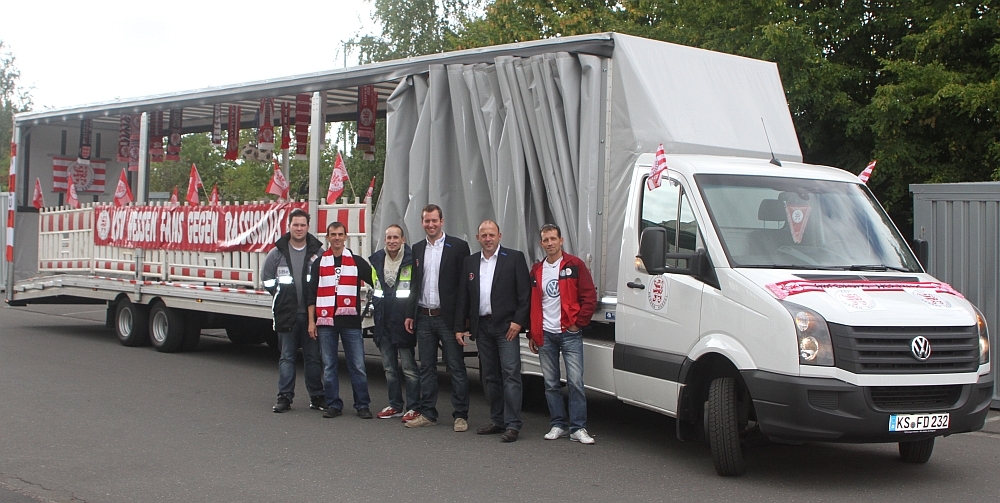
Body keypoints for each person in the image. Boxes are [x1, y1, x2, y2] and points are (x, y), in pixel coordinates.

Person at [455, 220, 530, 442]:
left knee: (511, 375)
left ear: (499, 236)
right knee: (490, 377)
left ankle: (513, 424)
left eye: (492, 234)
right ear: (477, 238)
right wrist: (460, 327)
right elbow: (463, 296)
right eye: (484, 235)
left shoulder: (514, 258)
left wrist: (518, 322)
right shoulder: (470, 262)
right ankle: (498, 420)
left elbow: (525, 294)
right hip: (482, 327)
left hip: (507, 327)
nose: (488, 238)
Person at [403, 204, 472, 431]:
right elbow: (415, 284)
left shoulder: (458, 247)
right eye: (427, 221)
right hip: (424, 316)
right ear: (422, 222)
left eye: (434, 220)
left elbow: (464, 287)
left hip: (448, 319)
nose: (430, 224)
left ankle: (460, 415)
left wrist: (462, 320)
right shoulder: (417, 248)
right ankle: (428, 413)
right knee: (427, 368)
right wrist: (410, 314)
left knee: (456, 367)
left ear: (442, 221)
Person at [528, 223, 598, 444]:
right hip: (545, 334)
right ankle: (558, 424)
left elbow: (589, 296)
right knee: (550, 383)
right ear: (541, 243)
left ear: (561, 240)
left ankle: (578, 428)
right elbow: (532, 303)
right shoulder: (537, 270)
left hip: (569, 333)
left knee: (575, 382)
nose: (550, 243)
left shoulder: (574, 265)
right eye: (546, 240)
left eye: (553, 239)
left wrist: (578, 323)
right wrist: (532, 333)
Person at [307, 221, 376, 419]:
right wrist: (312, 322)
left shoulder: (356, 262)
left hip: (351, 323)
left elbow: (376, 281)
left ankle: (362, 405)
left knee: (358, 366)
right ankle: (333, 404)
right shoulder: (319, 263)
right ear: (327, 238)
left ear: (345, 237)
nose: (336, 238)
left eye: (340, 234)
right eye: (333, 234)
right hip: (326, 323)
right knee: (329, 367)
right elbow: (311, 295)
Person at [261, 208, 325, 413]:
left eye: (302, 225)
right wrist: (281, 297)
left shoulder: (318, 253)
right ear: (288, 226)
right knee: (287, 357)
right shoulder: (276, 253)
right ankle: (284, 397)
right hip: (287, 314)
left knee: (313, 358)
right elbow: (267, 280)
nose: (299, 228)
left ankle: (317, 397)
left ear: (308, 227)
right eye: (295, 225)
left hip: (311, 316)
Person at [369, 224, 420, 421]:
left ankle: (414, 407)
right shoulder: (376, 260)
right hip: (383, 322)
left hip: (403, 321)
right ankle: (395, 405)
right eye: (389, 238)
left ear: (403, 240)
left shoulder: (411, 260)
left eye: (395, 237)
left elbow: (414, 291)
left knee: (409, 369)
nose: (392, 241)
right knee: (389, 369)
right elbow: (376, 291)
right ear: (384, 240)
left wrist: (410, 315)